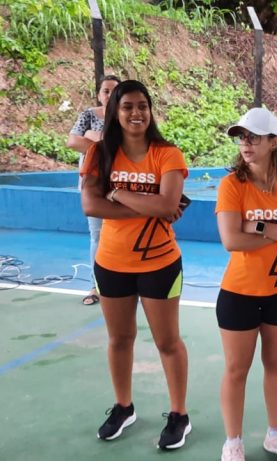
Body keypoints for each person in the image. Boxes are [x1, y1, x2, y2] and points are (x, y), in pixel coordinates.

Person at [79, 80, 191, 450]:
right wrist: (148, 205)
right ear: (115, 111)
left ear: (150, 110)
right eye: (127, 106)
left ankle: (179, 415)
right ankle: (123, 407)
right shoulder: (100, 154)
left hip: (160, 264)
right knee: (119, 339)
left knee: (167, 341)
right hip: (112, 263)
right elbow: (90, 205)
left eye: (142, 105)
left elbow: (167, 206)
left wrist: (116, 192)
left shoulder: (167, 154)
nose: (136, 113)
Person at [215, 107, 277, 461]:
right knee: (236, 370)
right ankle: (233, 442)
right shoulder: (231, 185)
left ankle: (276, 435)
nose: (246, 143)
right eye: (243, 137)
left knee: (276, 365)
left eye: (254, 137)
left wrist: (257, 227)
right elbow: (231, 240)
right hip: (238, 293)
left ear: (274, 142)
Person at [68, 75, 121, 305]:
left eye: (114, 90)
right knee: (97, 235)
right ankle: (96, 285)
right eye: (105, 90)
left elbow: (123, 147)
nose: (109, 95)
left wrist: (91, 136)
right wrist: (101, 143)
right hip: (93, 183)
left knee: (123, 231)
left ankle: (126, 282)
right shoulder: (88, 115)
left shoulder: (125, 116)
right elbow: (72, 142)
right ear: (99, 94)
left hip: (121, 183)